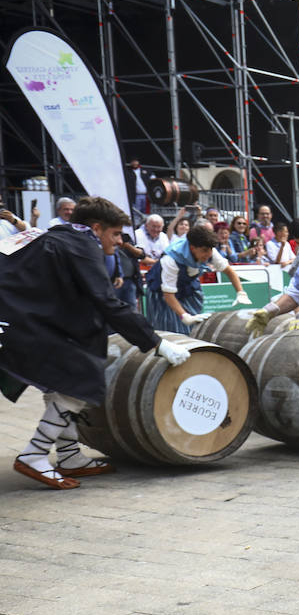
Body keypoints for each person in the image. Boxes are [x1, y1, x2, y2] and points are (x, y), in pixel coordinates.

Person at [0, 197, 192, 489]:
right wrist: (156, 343)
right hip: (18, 321)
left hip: (16, 318)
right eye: (115, 234)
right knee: (79, 379)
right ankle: (34, 455)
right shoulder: (83, 245)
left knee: (65, 382)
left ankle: (69, 455)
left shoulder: (60, 236)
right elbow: (106, 302)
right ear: (97, 227)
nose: (118, 241)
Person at [145, 223, 250, 331]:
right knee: (172, 330)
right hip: (162, 294)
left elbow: (229, 271)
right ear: (192, 248)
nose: (208, 254)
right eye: (204, 250)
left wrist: (240, 292)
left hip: (187, 289)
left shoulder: (209, 250)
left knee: (195, 328)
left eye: (210, 250)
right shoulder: (171, 259)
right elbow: (168, 295)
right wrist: (184, 316)